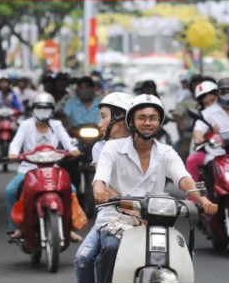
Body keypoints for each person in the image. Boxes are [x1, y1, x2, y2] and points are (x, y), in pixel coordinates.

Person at [91, 94, 218, 283]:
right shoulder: (112, 148)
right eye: (141, 118)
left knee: (184, 254)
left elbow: (183, 179)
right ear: (131, 122)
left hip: (155, 221)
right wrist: (100, 190)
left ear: (159, 123)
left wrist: (203, 200)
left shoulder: (166, 152)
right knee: (111, 248)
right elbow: (100, 177)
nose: (147, 123)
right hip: (116, 218)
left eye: (153, 118)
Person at [74, 92, 133, 283]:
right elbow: (103, 184)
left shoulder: (147, 146)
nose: (99, 124)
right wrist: (131, 204)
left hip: (148, 215)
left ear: (120, 118)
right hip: (111, 217)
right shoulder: (100, 147)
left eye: (103, 117)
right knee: (83, 258)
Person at [6, 92, 81, 239]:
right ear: (33, 108)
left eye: (46, 108)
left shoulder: (57, 125)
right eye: (39, 107)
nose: (42, 110)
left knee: (71, 189)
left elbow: (67, 142)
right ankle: (16, 227)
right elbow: (16, 143)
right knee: (10, 191)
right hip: (28, 169)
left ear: (52, 110)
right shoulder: (25, 125)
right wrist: (13, 153)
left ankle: (68, 227)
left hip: (53, 168)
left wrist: (73, 150)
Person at [185, 80, 220, 182]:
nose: (208, 101)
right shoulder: (202, 115)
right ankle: (195, 194)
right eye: (205, 100)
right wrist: (207, 135)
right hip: (210, 150)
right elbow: (198, 135)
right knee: (191, 160)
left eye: (211, 98)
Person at [172, 75, 212, 162]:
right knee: (183, 152)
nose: (198, 86)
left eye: (200, 83)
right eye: (196, 84)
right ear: (191, 86)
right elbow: (177, 114)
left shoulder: (210, 99)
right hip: (190, 135)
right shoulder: (186, 100)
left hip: (211, 136)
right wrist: (182, 124)